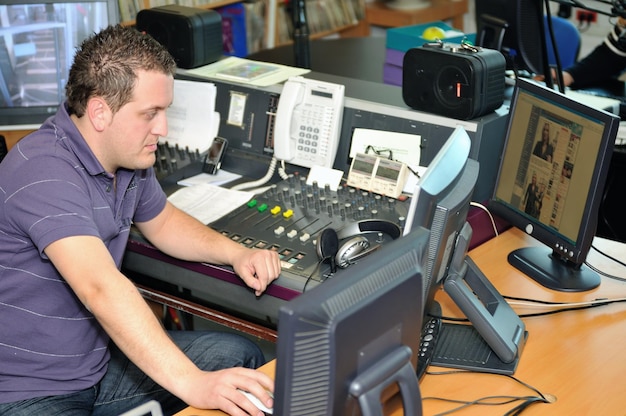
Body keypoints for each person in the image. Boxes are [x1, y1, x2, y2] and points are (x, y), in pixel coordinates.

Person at [0, 25, 281, 416]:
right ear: (100, 111)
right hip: (28, 390)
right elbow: (101, 287)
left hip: (95, 370)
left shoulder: (129, 159)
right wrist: (192, 382)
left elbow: (163, 223)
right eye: (150, 114)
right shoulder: (43, 170)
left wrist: (235, 253)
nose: (162, 130)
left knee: (240, 361)